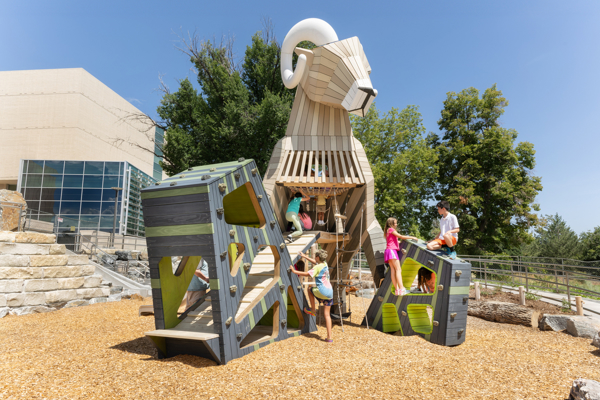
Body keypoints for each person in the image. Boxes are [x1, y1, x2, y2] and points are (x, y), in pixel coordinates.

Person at [291, 249, 333, 343]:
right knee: (327, 315)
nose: (314, 258)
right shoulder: (324, 264)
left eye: (315, 256)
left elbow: (306, 274)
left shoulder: (317, 268)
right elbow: (315, 262)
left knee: (309, 290)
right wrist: (305, 256)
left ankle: (313, 310)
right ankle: (329, 337)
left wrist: (294, 271)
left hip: (322, 291)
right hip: (330, 292)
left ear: (318, 257)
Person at [384, 217, 417, 296]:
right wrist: (412, 237)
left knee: (393, 270)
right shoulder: (391, 229)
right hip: (392, 251)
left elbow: (395, 241)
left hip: (388, 251)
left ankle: (397, 290)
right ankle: (402, 289)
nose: (396, 224)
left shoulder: (387, 231)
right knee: (398, 269)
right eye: (395, 223)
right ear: (391, 223)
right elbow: (401, 236)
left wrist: (400, 242)